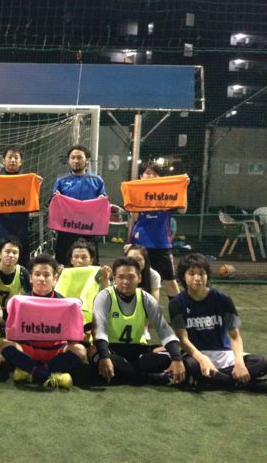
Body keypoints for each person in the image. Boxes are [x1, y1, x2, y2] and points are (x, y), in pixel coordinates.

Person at [169, 253, 267, 391]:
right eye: (191, 273)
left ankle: (211, 381)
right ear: (183, 277)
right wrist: (202, 359)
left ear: (207, 275)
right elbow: (183, 340)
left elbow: (235, 336)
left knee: (261, 362)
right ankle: (248, 385)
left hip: (224, 353)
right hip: (196, 354)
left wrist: (239, 363)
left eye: (201, 273)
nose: (197, 278)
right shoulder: (176, 303)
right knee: (190, 366)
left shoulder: (223, 299)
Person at [92, 257, 186, 386]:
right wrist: (104, 356)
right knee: (95, 353)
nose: (126, 281)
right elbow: (99, 331)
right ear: (114, 278)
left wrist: (177, 359)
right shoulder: (105, 296)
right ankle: (150, 378)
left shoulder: (146, 298)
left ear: (139, 278)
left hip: (137, 350)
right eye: (121, 277)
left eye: (131, 277)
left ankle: (123, 375)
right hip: (111, 349)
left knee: (174, 354)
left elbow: (164, 330)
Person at [0, 253, 87, 390]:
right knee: (4, 344)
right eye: (37, 274)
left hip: (56, 350)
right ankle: (49, 373)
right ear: (30, 277)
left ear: (55, 278)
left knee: (80, 350)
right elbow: (12, 333)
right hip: (28, 349)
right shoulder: (21, 302)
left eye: (47, 275)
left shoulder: (65, 303)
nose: (42, 279)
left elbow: (73, 336)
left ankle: (31, 371)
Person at [126, 162, 185, 301]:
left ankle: (178, 311)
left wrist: (183, 188)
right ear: (141, 176)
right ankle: (136, 309)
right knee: (135, 277)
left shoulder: (166, 193)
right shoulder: (137, 192)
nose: (151, 176)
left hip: (161, 244)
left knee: (170, 280)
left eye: (155, 173)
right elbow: (135, 219)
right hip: (140, 244)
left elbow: (182, 210)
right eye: (147, 173)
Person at [0, 146, 36, 268]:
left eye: (16, 158)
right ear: (3, 160)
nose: (13, 160)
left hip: (20, 231)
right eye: (10, 157)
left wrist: (36, 183)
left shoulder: (28, 181)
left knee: (21, 268)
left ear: (21, 161)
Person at [51, 145, 107, 267]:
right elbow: (53, 205)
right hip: (66, 230)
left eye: (79, 157)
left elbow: (103, 205)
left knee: (90, 266)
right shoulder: (61, 181)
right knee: (63, 265)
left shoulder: (97, 181)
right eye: (73, 158)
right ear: (68, 160)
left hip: (89, 230)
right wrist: (55, 198)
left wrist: (102, 200)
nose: (76, 161)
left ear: (87, 160)